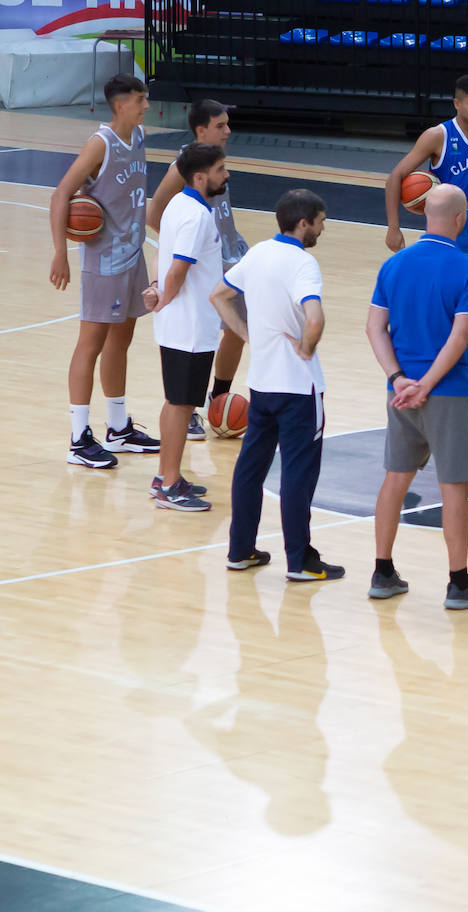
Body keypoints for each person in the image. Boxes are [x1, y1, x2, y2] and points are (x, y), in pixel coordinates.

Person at [366, 184, 468, 609]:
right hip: (451, 394)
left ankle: (382, 572)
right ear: (461, 220)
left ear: (424, 214)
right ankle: (459, 583)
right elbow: (462, 337)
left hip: (400, 393)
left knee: (395, 479)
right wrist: (427, 383)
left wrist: (400, 378)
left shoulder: (394, 265)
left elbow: (374, 328)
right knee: (454, 487)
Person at [210, 188, 345, 581]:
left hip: (263, 384)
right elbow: (315, 319)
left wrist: (247, 333)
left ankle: (240, 550)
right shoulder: (303, 264)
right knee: (298, 475)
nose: (322, 228)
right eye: (320, 222)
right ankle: (300, 560)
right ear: (303, 223)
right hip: (299, 389)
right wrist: (306, 345)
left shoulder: (257, 254)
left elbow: (219, 295)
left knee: (250, 469)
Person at [49, 73, 160, 468]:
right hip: (104, 261)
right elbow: (62, 193)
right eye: (140, 99)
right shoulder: (101, 144)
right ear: (120, 105)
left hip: (132, 255)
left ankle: (118, 428)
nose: (146, 105)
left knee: (121, 340)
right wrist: (60, 252)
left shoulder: (140, 136)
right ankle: (79, 439)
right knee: (91, 342)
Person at [384, 73, 468, 416]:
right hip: (448, 247)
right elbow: (395, 176)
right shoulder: (438, 136)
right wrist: (394, 227)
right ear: (457, 103)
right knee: (463, 319)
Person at [149, 98, 251, 440]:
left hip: (230, 257)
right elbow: (154, 215)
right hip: (204, 266)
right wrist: (188, 250)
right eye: (220, 125)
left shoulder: (215, 162)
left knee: (236, 331)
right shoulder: (184, 166)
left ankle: (218, 399)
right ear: (201, 129)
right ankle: (189, 411)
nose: (228, 130)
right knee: (199, 343)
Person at [141, 143, 230, 511]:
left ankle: (165, 475)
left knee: (174, 401)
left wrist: (157, 291)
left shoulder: (177, 203)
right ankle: (170, 486)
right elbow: (179, 267)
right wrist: (163, 294)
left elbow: (165, 258)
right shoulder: (196, 215)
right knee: (181, 404)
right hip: (191, 325)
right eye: (221, 169)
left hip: (176, 323)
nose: (226, 175)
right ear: (200, 176)